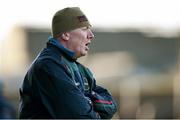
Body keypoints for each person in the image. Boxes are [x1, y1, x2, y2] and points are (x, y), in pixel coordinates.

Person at [19, 7, 117, 119]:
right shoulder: (48, 66)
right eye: (84, 29)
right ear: (65, 34)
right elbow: (80, 116)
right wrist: (92, 105)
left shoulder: (80, 69)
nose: (91, 35)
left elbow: (111, 105)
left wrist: (87, 100)